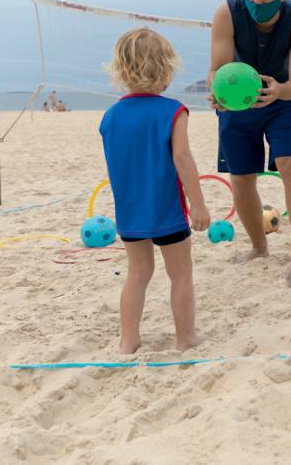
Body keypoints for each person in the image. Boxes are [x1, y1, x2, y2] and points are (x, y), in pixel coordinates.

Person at [100, 28, 210, 354]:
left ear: (121, 70)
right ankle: (185, 338)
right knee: (180, 273)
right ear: (164, 71)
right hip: (168, 211)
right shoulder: (172, 111)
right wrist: (199, 204)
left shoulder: (111, 116)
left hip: (130, 211)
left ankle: (128, 341)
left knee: (137, 274)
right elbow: (183, 159)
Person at [208, 0, 291, 287]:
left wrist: (280, 90)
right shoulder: (227, 13)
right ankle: (259, 246)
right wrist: (217, 93)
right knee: (241, 178)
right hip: (238, 104)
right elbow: (217, 69)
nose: (256, 2)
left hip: (283, 100)